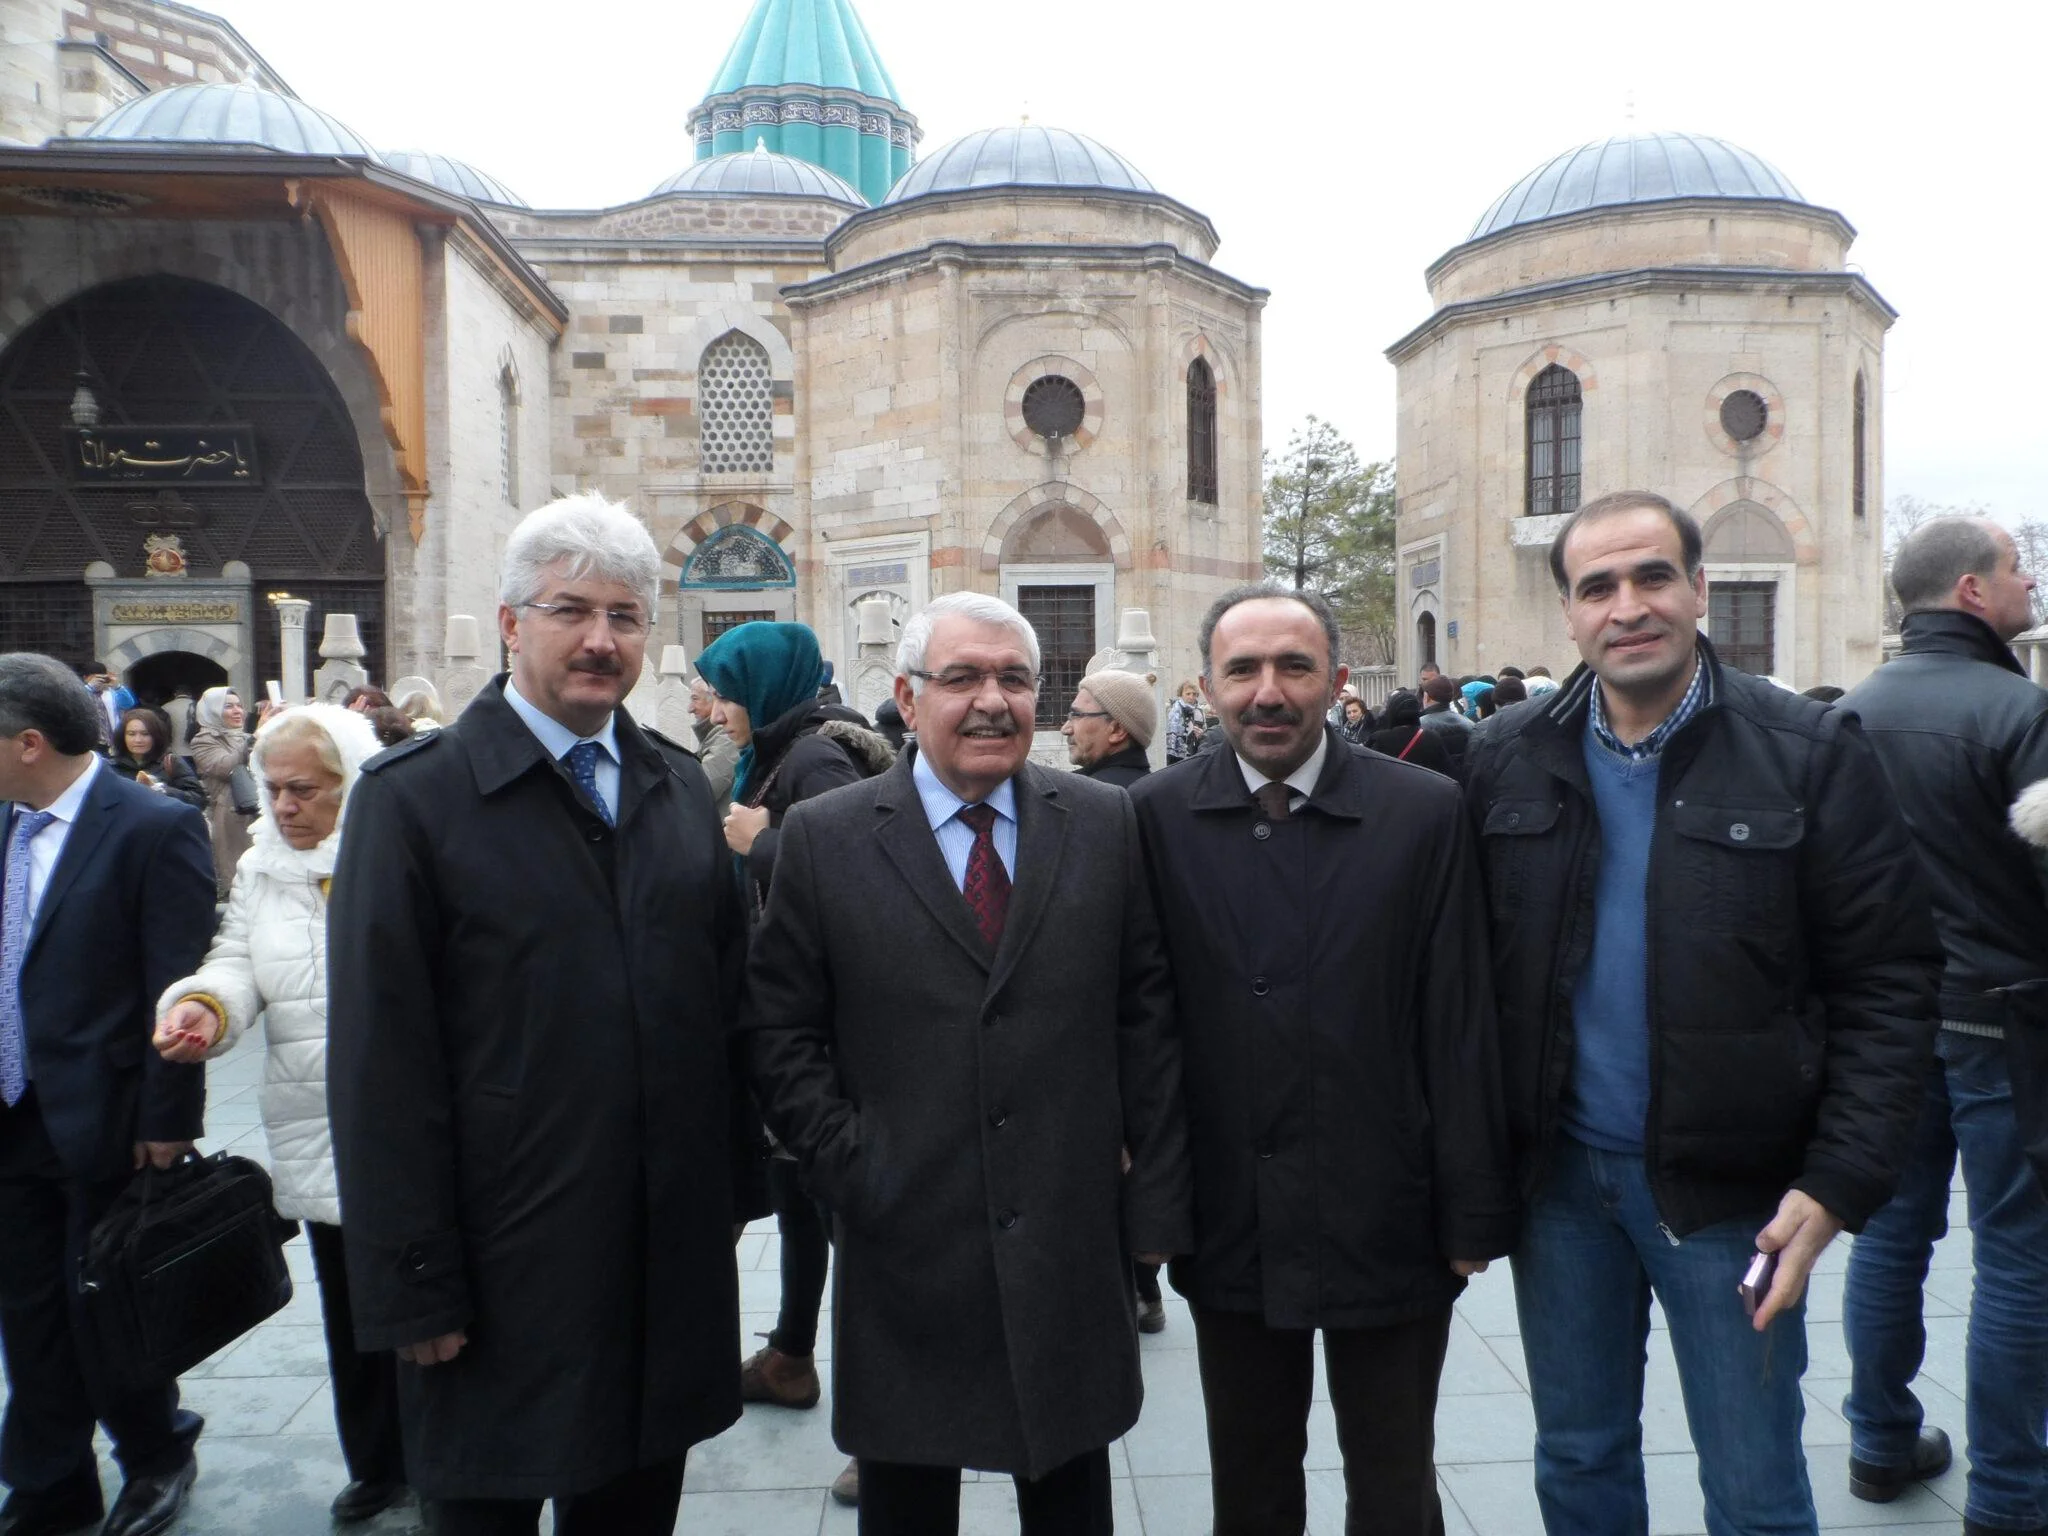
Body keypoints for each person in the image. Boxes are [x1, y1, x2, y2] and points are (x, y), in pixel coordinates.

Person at [1465, 490, 1942, 1535]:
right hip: (1558, 1190)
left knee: (1751, 1473)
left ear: (1696, 590)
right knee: (1577, 1458)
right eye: (1597, 586)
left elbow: (1887, 981)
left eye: (1650, 578)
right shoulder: (1506, 754)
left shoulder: (1808, 751)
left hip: (1736, 1198)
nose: (1625, 606)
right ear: (1568, 614)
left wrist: (1835, 1182)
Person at [325, 494, 768, 1536]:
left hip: (657, 1268)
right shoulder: (413, 801)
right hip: (495, 1277)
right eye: (571, 610)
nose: (600, 640)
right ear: (513, 622)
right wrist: (413, 1284)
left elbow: (724, 1010)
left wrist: (733, 1196)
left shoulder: (670, 791)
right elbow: (381, 1064)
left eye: (623, 616)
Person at [742, 591, 1191, 1536]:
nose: (992, 700)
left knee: (1069, 1496)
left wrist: (1142, 1185)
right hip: (905, 1242)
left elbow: (1145, 1012)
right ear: (908, 699)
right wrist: (850, 1164)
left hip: (1067, 1244)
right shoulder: (827, 838)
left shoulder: (1104, 823)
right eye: (962, 678)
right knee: (907, 1500)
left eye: (1015, 679)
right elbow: (780, 1029)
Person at [1128, 585, 1516, 1536]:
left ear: (1336, 682)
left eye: (1293, 667)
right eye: (1243, 670)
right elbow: (1146, 1027)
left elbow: (1459, 1020)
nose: (1269, 692)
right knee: (1251, 1480)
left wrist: (1471, 1210)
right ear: (1208, 688)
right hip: (1231, 1213)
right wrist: (1156, 1210)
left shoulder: (1422, 812)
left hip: (1389, 1209)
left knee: (1393, 1477)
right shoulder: (1154, 815)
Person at [1836, 516, 2048, 1532]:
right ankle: (2009, 1491)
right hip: (2003, 1021)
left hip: (1886, 1022)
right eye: (2015, 567)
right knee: (2016, 1253)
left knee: (1886, 1237)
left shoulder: (1852, 712)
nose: (2027, 580)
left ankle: (1877, 1442)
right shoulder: (2019, 711)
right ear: (1971, 591)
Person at [152, 704, 409, 1525]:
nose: (284, 806)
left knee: (430, 1301)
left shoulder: (399, 856)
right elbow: (235, 958)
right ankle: (377, 1462)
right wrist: (205, 1007)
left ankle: (451, 1458)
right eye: (274, 787)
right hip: (315, 1119)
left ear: (354, 785)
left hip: (411, 1129)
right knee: (349, 1304)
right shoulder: (263, 864)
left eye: (305, 790)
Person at [0, 653, 217, 1536]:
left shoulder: (150, 828)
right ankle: (49, 1483)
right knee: (30, 1313)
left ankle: (157, 1452)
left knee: (109, 1308)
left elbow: (180, 985)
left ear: (28, 742)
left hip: (106, 1117)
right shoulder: (6, 822)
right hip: (10, 1116)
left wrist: (167, 1121)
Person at [696, 620, 890, 1434]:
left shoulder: (812, 758)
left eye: (728, 691)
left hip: (827, 1031)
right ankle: (790, 1356)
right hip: (786, 1018)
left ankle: (887, 1413)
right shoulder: (774, 750)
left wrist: (762, 840)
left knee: (846, 1221)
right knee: (797, 1198)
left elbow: (863, 877)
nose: (716, 707)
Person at [1059, 668, 1167, 1331]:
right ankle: (1144, 1287)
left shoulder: (1090, 808)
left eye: (1078, 713)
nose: (1067, 725)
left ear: (1117, 729)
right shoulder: (1156, 795)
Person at [187, 685, 254, 899]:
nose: (237, 711)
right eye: (228, 707)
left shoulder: (246, 736)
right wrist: (252, 740)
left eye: (239, 706)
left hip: (258, 809)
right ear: (212, 711)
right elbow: (227, 767)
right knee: (238, 880)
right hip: (230, 813)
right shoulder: (203, 740)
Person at [1062, 669, 1156, 788]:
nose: (1065, 729)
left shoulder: (1087, 794)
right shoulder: (1153, 792)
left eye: (1077, 715)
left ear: (1117, 730)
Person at [108, 707, 206, 812]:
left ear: (155, 736)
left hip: (163, 825)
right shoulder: (111, 766)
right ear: (123, 736)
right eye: (131, 734)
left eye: (145, 734)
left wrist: (163, 790)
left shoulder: (170, 762)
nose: (138, 740)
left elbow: (199, 800)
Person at [1366, 689, 1456, 777]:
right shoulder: (1432, 737)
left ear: (1391, 711)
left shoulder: (1379, 739)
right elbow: (1449, 772)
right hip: (1424, 789)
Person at [689, 676, 740, 804]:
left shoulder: (726, 738)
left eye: (695, 699)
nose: (690, 708)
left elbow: (701, 790)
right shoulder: (714, 735)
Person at [1416, 674, 1474, 780]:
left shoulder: (1419, 726)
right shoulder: (1469, 724)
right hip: (1463, 782)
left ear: (1427, 697)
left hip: (1431, 782)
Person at [83, 664, 135, 750]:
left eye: (101, 679)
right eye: (95, 679)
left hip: (111, 744)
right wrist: (89, 687)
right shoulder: (81, 692)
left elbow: (129, 704)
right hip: (88, 743)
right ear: (85, 678)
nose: (99, 682)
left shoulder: (112, 694)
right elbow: (72, 704)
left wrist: (117, 686)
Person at [1166, 680, 1206, 764]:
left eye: (1194, 694)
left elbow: (1206, 731)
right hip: (1177, 756)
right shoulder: (1174, 710)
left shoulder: (1200, 711)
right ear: (1181, 694)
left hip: (1196, 753)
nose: (1191, 697)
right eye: (1188, 694)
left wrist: (1202, 735)